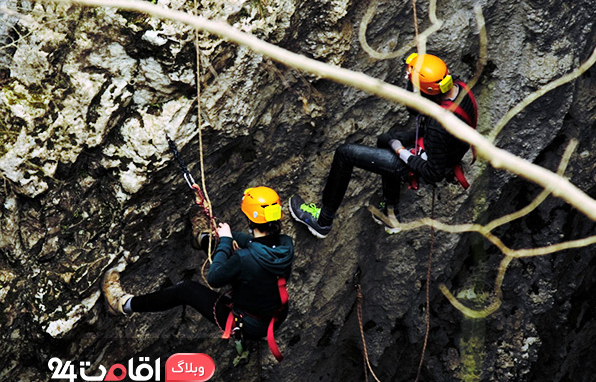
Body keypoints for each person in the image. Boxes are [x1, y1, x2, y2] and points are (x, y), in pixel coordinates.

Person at [289, 52, 478, 238]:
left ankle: (323, 221)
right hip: (446, 146)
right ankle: (391, 214)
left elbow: (433, 173)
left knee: (345, 153)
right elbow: (416, 110)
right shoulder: (459, 88)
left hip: (432, 158)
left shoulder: (438, 125)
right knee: (386, 138)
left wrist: (401, 151)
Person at [101, 186, 294, 342]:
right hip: (272, 316)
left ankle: (121, 304)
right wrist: (225, 235)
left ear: (250, 221)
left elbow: (214, 277)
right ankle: (201, 238)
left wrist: (226, 240)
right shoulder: (285, 245)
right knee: (229, 251)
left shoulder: (245, 258)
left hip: (246, 323)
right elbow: (252, 243)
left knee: (186, 290)